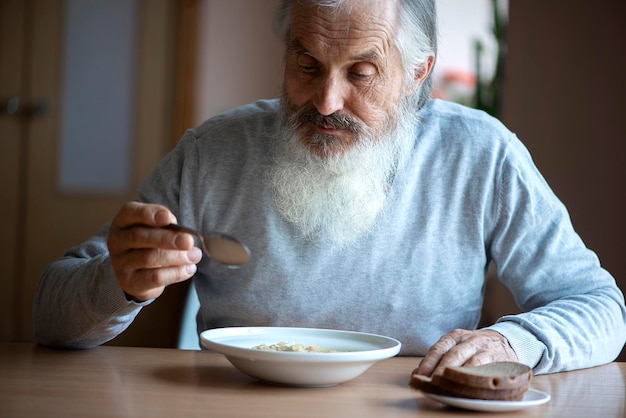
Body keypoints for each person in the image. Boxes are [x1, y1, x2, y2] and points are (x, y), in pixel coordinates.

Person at [33, 0, 625, 376]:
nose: (325, 101)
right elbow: (50, 314)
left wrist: (516, 341)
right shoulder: (214, 152)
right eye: (307, 64)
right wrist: (118, 283)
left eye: (362, 73)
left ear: (419, 73)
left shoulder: (481, 154)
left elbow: (601, 308)